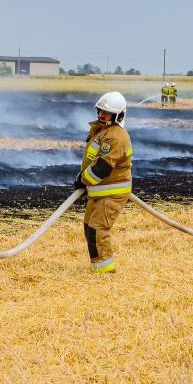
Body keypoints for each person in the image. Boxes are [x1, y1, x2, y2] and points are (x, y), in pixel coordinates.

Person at [73, 92, 133, 273]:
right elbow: (92, 160)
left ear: (118, 115)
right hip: (99, 191)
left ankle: (105, 272)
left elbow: (102, 168)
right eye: (100, 111)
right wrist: (83, 178)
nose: (101, 115)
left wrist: (82, 180)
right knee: (89, 228)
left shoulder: (116, 136)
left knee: (98, 229)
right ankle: (99, 266)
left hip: (112, 193)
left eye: (106, 113)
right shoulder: (103, 130)